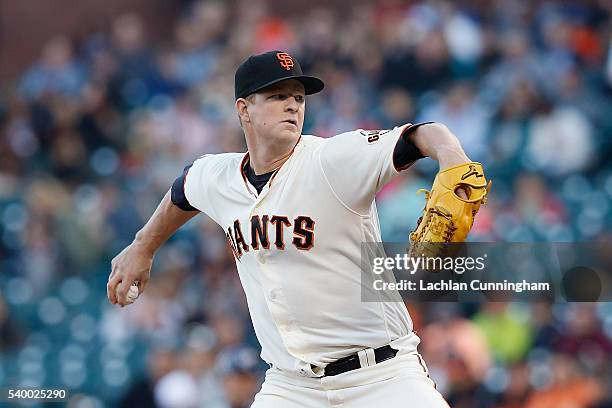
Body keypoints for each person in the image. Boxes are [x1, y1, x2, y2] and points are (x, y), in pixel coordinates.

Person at [108, 50, 474, 407]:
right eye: (277, 96)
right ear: (243, 109)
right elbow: (183, 190)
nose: (292, 105)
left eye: (298, 97)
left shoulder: (332, 160)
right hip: (291, 385)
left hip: (381, 376)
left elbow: (423, 135)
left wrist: (453, 158)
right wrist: (143, 247)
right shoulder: (218, 176)